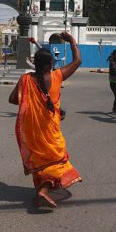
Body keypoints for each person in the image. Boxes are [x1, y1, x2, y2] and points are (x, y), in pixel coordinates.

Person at [9, 31, 82, 208]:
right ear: (51, 64)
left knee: (40, 159)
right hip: (50, 127)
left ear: (34, 64)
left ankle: (42, 189)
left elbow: (12, 100)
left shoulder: (25, 79)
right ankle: (43, 190)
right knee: (57, 158)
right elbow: (78, 61)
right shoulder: (57, 76)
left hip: (32, 129)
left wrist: (31, 99)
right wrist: (72, 40)